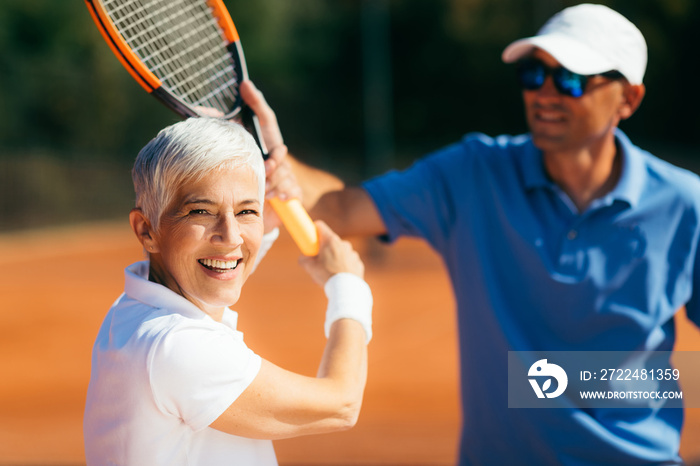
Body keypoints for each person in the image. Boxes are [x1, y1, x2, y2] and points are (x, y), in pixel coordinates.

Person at [251, 3, 700, 465]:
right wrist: (266, 152)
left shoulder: (686, 205)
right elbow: (341, 209)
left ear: (629, 99)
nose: (544, 93)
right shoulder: (473, 173)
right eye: (533, 74)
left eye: (571, 79)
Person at [83, 117, 373, 465]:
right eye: (201, 211)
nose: (232, 236)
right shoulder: (177, 348)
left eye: (246, 211)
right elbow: (341, 404)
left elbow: (213, 269)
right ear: (146, 230)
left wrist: (260, 229)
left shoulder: (132, 313)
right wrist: (347, 284)